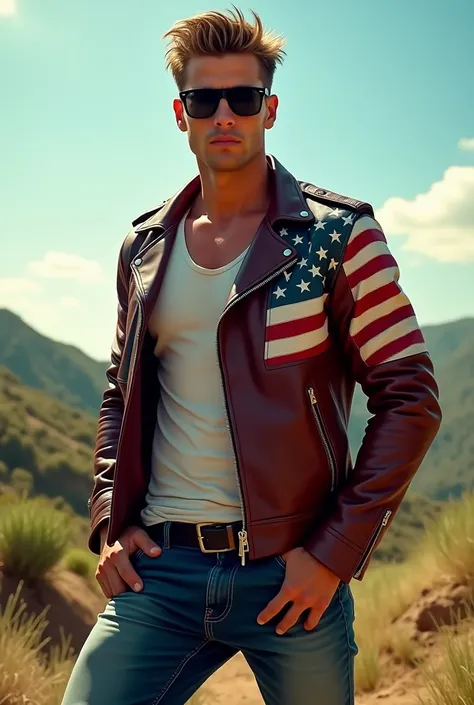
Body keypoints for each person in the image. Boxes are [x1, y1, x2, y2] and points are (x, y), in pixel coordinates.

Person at [61, 7, 441, 705]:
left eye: (245, 98)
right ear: (182, 114)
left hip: (290, 577)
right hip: (162, 572)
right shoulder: (144, 247)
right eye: (205, 100)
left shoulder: (337, 236)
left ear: (271, 109)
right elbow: (121, 395)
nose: (225, 115)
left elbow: (410, 396)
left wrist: (331, 556)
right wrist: (111, 518)